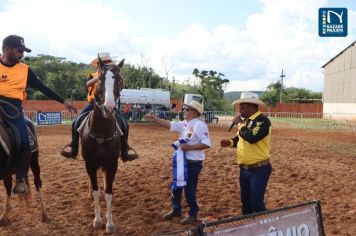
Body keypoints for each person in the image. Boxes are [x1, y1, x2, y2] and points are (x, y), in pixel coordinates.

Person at [0, 35, 77, 194]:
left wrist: (64, 102)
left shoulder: (25, 70)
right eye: (19, 50)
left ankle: (21, 179)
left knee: (25, 141)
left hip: (13, 109)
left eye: (23, 51)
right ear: (6, 49)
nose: (22, 54)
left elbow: (43, 88)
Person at [60, 52, 138, 161]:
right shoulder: (93, 75)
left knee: (124, 123)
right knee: (76, 122)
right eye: (104, 62)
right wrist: (101, 77)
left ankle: (125, 151)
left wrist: (118, 75)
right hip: (93, 103)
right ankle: (73, 149)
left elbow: (123, 85)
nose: (106, 63)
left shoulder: (113, 74)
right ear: (99, 64)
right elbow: (88, 84)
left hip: (107, 103)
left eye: (108, 62)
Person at [144, 100, 211, 225]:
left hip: (193, 162)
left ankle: (193, 213)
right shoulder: (185, 123)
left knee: (189, 188)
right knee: (177, 185)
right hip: (182, 160)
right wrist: (155, 119)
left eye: (187, 109)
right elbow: (170, 124)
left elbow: (206, 144)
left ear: (195, 112)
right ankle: (176, 209)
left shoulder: (200, 125)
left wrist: (189, 148)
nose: (184, 111)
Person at [220, 91, 272, 215]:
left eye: (243, 106)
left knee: (256, 203)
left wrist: (238, 123)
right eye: (239, 107)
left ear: (252, 106)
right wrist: (230, 142)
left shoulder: (263, 121)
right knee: (246, 203)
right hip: (244, 169)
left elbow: (252, 137)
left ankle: (267, 227)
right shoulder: (247, 122)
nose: (240, 109)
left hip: (259, 169)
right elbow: (240, 138)